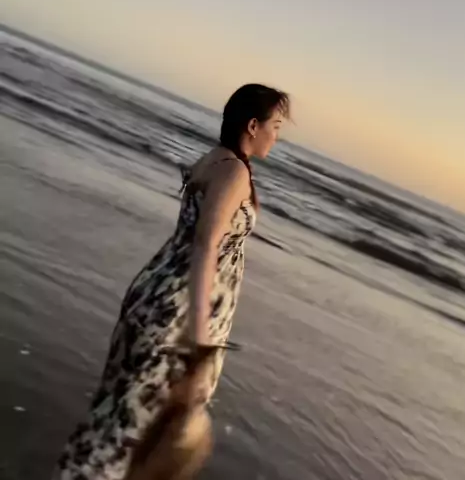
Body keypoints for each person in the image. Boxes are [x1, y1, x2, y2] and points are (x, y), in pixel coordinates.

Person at [54, 83, 290, 479]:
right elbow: (205, 246)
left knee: (114, 417)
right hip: (176, 318)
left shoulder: (212, 160)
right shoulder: (233, 172)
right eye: (275, 126)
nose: (277, 137)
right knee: (128, 435)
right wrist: (199, 344)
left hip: (155, 296)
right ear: (253, 125)